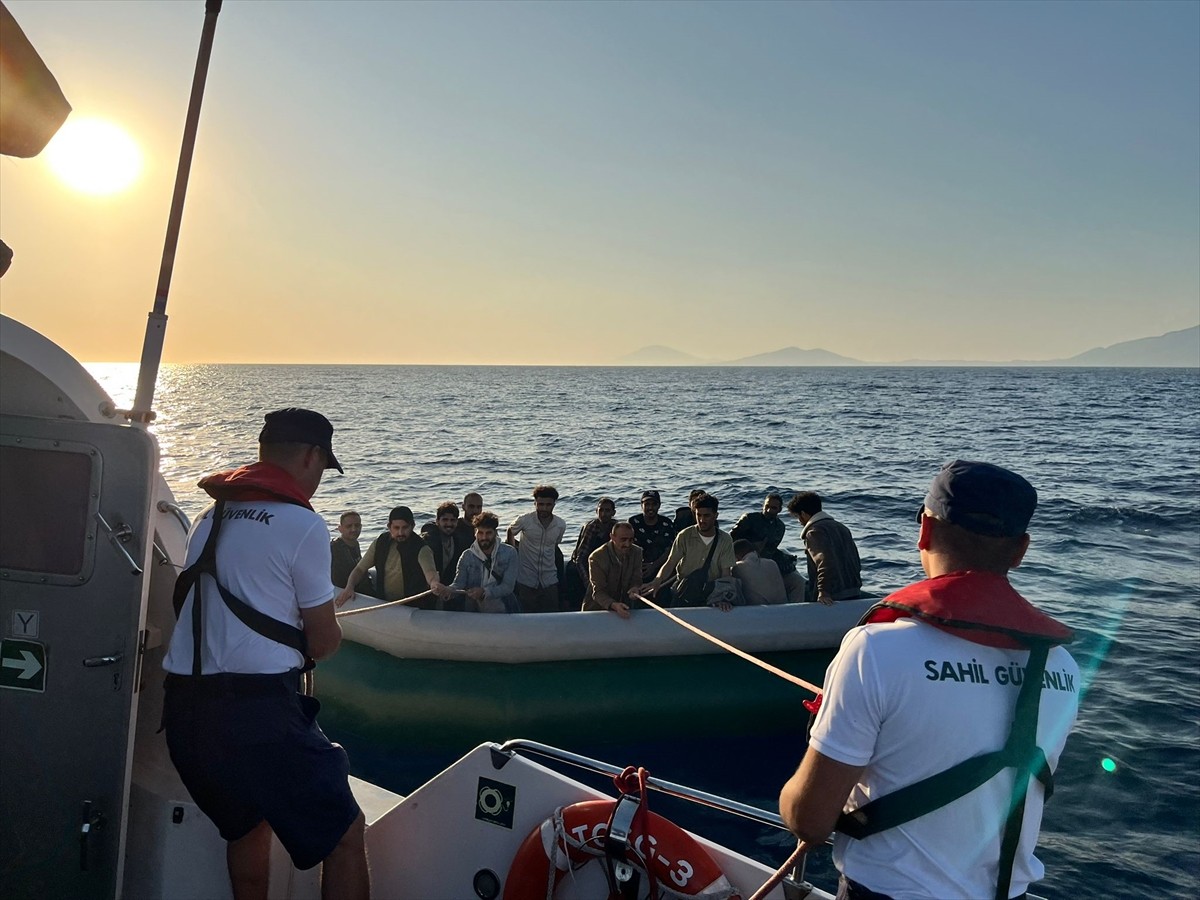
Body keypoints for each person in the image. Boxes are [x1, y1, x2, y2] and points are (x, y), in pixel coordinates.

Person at [778, 460, 1079, 900]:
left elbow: (808, 820)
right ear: (1020, 550)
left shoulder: (875, 651)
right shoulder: (1063, 667)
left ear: (924, 529)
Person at [161, 408, 370, 899]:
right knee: (345, 834)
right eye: (322, 467)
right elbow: (323, 641)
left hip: (186, 718)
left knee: (247, 829)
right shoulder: (301, 523)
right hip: (257, 717)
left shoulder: (210, 516)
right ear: (311, 455)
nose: (319, 479)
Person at [647, 494, 736, 611]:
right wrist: (657, 581)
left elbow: (726, 573)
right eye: (698, 515)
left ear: (716, 516)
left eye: (706, 516)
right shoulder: (684, 536)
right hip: (684, 590)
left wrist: (724, 598)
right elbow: (670, 563)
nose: (702, 520)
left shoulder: (725, 539)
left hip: (711, 592)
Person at [337, 505, 440, 606]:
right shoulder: (380, 543)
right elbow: (359, 569)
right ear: (389, 527)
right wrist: (349, 587)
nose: (400, 532)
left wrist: (434, 583)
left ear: (412, 526)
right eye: (396, 528)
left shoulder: (421, 548)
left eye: (405, 528)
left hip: (412, 607)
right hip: (384, 604)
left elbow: (430, 572)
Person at [787, 491, 863, 605]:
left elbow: (825, 562)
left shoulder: (814, 532)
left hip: (833, 595)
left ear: (803, 514)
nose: (799, 521)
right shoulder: (841, 528)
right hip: (853, 589)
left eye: (797, 517)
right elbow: (855, 560)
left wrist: (823, 592)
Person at [435, 511, 519, 613]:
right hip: (475, 612)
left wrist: (484, 592)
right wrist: (447, 591)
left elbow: (507, 587)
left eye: (488, 533)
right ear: (475, 533)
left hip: (505, 609)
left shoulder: (510, 553)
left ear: (495, 533)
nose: (484, 537)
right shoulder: (467, 556)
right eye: (480, 533)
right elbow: (458, 584)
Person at [731, 492, 805, 601]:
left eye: (773, 508)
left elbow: (773, 548)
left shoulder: (780, 527)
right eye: (767, 506)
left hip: (767, 562)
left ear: (779, 510)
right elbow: (731, 539)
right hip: (747, 560)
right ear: (763, 506)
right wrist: (752, 546)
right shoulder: (750, 519)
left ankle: (795, 610)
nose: (769, 510)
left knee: (798, 582)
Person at [506, 485, 567, 614]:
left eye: (548, 505)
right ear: (535, 503)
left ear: (554, 504)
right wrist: (513, 549)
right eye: (540, 504)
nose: (544, 508)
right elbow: (511, 531)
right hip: (526, 579)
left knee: (552, 616)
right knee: (526, 616)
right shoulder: (525, 520)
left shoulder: (560, 525)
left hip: (549, 579)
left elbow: (555, 544)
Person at [582, 522, 646, 618]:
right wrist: (613, 605)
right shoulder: (597, 557)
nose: (627, 544)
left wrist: (635, 588)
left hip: (625, 608)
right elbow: (598, 592)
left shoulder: (637, 552)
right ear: (612, 537)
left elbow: (636, 579)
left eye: (631, 540)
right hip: (597, 610)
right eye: (623, 539)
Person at [421, 501, 473, 586]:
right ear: (437, 521)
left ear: (457, 522)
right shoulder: (430, 540)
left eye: (452, 520)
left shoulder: (458, 542)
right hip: (428, 588)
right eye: (445, 520)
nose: (449, 524)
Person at [629, 489, 676, 580]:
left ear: (659, 505)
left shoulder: (666, 523)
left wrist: (654, 565)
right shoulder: (633, 522)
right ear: (641, 505)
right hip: (637, 568)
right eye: (647, 504)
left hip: (661, 568)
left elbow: (670, 549)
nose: (650, 508)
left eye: (654, 504)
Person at [570, 497, 617, 586]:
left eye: (607, 510)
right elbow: (580, 559)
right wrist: (588, 583)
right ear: (596, 511)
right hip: (587, 564)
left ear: (613, 513)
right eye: (601, 510)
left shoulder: (616, 527)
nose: (603, 514)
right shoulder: (591, 527)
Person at [330, 510, 375, 597]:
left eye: (357, 525)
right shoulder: (334, 548)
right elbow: (337, 580)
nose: (354, 529)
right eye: (349, 526)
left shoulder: (354, 543)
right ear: (340, 529)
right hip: (347, 593)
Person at [733, 538, 787, 605]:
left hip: (759, 611)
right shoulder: (772, 563)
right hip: (782, 607)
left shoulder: (738, 567)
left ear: (736, 556)